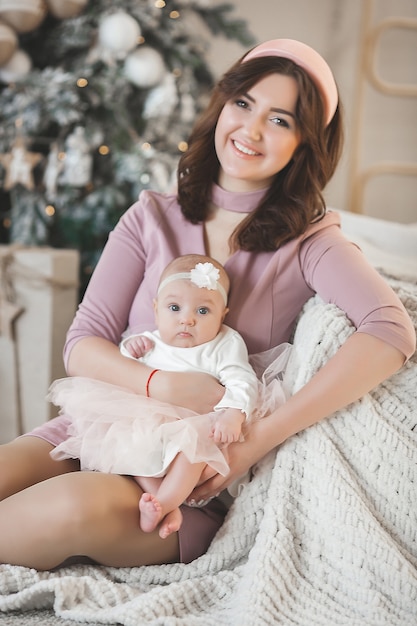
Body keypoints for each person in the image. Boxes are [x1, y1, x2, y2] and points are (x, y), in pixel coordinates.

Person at [0, 38, 414, 571]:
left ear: (306, 144)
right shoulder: (151, 216)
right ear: (222, 105)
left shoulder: (310, 242)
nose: (252, 130)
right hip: (98, 434)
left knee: (67, 507)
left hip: (191, 479)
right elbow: (83, 345)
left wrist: (253, 441)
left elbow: (390, 330)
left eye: (281, 120)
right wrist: (163, 386)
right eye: (243, 104)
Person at [48, 253, 284, 540]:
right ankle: (161, 500)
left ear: (222, 314)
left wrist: (234, 413)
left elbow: (241, 379)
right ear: (157, 310)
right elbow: (127, 375)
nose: (187, 320)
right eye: (175, 308)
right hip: (150, 423)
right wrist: (129, 351)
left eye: (203, 311)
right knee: (121, 444)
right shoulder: (151, 341)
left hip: (197, 423)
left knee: (195, 451)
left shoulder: (224, 343)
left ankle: (166, 502)